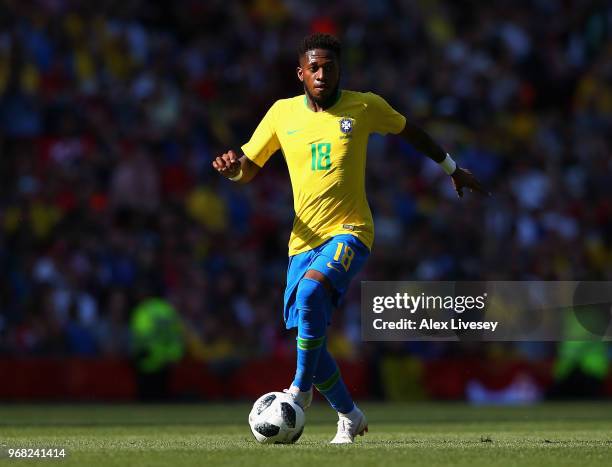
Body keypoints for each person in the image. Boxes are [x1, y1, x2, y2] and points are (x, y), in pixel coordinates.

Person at [212, 33, 488, 443]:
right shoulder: (280, 114)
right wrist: (232, 169)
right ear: (301, 73)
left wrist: (452, 168)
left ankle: (298, 392)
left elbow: (410, 131)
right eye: (315, 67)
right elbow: (248, 168)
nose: (323, 74)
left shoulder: (364, 106)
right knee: (312, 335)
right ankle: (350, 416)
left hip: (351, 231)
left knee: (308, 298)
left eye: (330, 66)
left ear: (340, 70)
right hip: (302, 243)